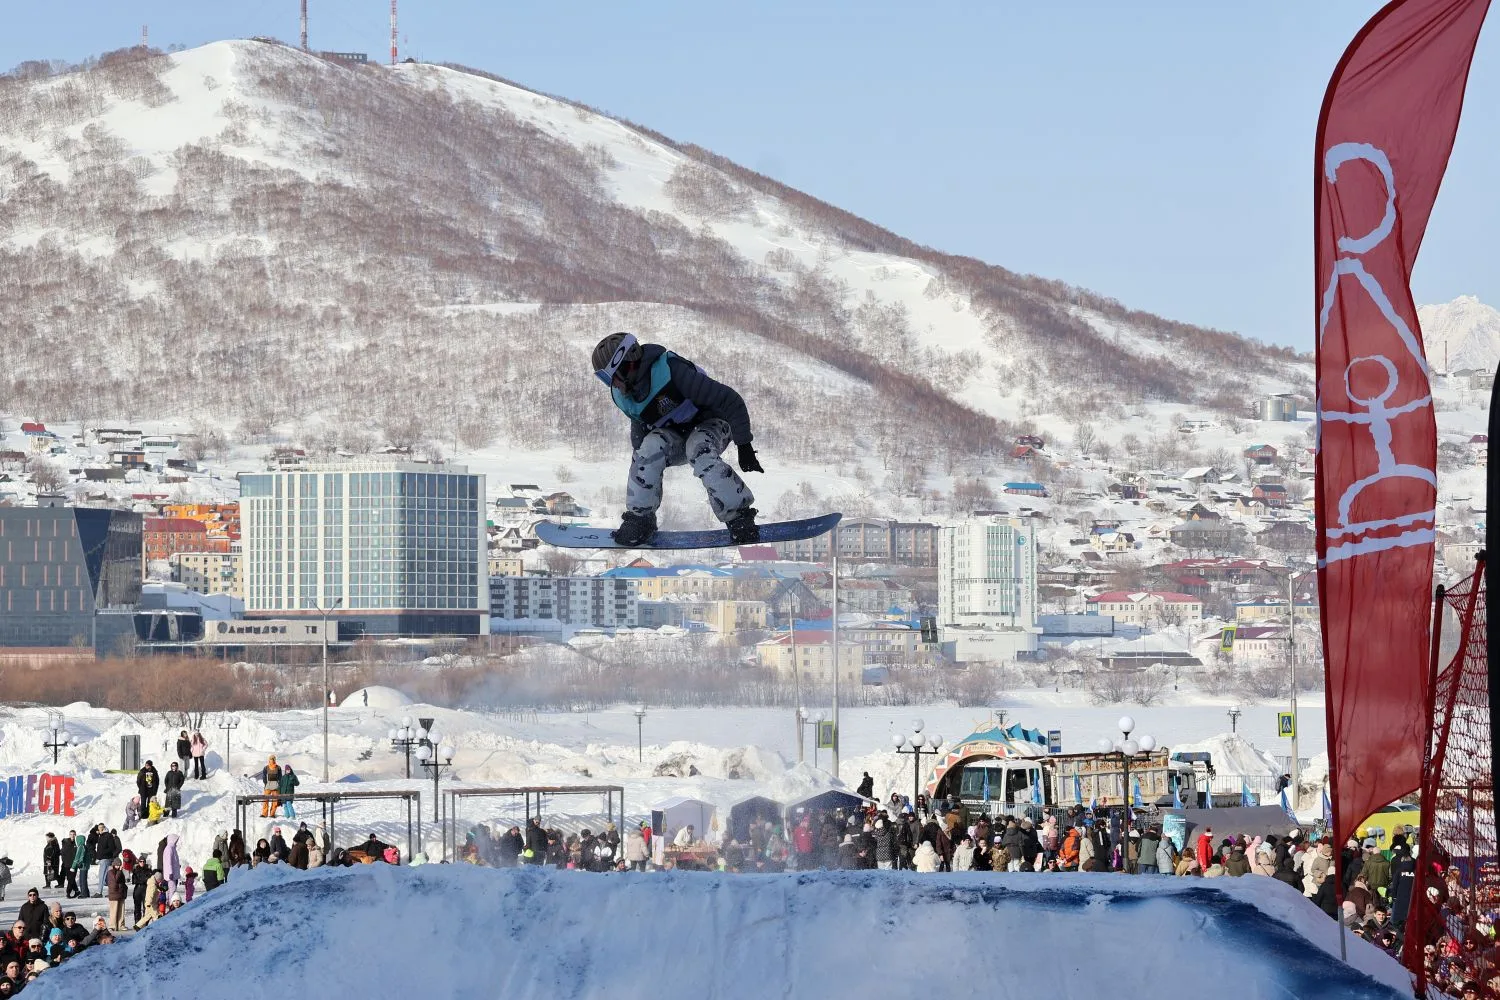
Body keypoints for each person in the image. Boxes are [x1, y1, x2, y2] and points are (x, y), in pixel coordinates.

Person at [590, 332, 763, 545]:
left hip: (713, 423)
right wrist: (645, 465)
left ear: (628, 365)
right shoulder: (623, 397)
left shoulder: (673, 371)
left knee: (697, 447)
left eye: (611, 377)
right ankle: (641, 521)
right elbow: (640, 430)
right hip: (676, 434)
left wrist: (744, 445)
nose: (612, 385)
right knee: (649, 447)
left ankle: (739, 518)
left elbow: (731, 400)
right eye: (604, 380)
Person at [105, 859, 127, 932]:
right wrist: (120, 871)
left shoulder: (120, 872)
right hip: (114, 895)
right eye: (117, 865)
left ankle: (121, 925)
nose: (118, 866)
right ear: (114, 865)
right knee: (113, 911)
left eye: (119, 865)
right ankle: (112, 926)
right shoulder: (110, 872)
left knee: (121, 911)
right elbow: (116, 880)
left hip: (121, 893)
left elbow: (123, 882)